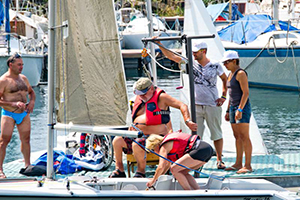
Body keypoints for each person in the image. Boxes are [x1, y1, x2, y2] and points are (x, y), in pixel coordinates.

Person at [154, 39, 227, 169]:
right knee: (195, 136)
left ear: (203, 52)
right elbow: (172, 56)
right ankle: (196, 161)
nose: (193, 54)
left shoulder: (215, 65)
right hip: (196, 106)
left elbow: (225, 79)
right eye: (192, 52)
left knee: (216, 133)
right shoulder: (190, 64)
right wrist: (160, 45)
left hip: (212, 105)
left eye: (195, 52)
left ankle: (220, 160)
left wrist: (223, 96)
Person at [109, 77, 197, 178]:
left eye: (144, 93)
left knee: (137, 144)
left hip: (156, 137)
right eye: (139, 94)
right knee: (117, 140)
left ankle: (140, 171)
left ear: (151, 89)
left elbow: (182, 105)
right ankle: (119, 170)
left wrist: (187, 121)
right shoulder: (139, 99)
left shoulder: (162, 97)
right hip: (137, 133)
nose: (141, 96)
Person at [0, 53, 36, 178]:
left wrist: (31, 102)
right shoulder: (3, 80)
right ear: (11, 65)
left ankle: (27, 165)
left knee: (26, 139)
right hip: (9, 114)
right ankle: (0, 170)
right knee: (4, 141)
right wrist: (14, 103)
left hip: (24, 113)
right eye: (19, 64)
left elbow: (31, 93)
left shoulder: (23, 78)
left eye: (22, 65)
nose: (21, 67)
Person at [145, 132, 213, 190]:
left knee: (174, 169)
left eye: (153, 150)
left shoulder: (163, 147)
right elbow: (166, 165)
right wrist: (158, 178)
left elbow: (161, 166)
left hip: (199, 149)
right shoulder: (168, 146)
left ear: (156, 145)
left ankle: (188, 193)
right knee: (182, 172)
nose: (155, 153)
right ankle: (197, 191)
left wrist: (153, 180)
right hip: (207, 150)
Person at [222, 50, 253, 174]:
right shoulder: (230, 74)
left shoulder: (240, 74)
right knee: (237, 136)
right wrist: (228, 110)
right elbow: (231, 94)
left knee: (245, 136)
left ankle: (248, 165)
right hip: (233, 107)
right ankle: (238, 163)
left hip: (242, 107)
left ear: (234, 61)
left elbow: (246, 93)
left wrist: (240, 109)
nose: (225, 64)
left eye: (226, 62)